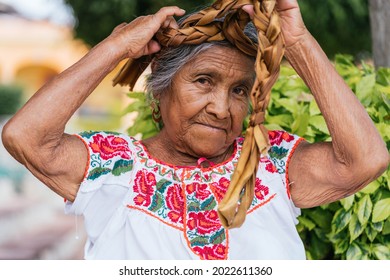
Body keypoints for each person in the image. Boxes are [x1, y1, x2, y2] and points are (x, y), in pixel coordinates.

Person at [1, 0, 388, 260]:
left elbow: (365, 160)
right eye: (204, 80)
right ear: (159, 92)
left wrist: (297, 42)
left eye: (239, 90)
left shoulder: (272, 165)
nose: (222, 108)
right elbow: (25, 136)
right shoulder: (113, 168)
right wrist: (118, 45)